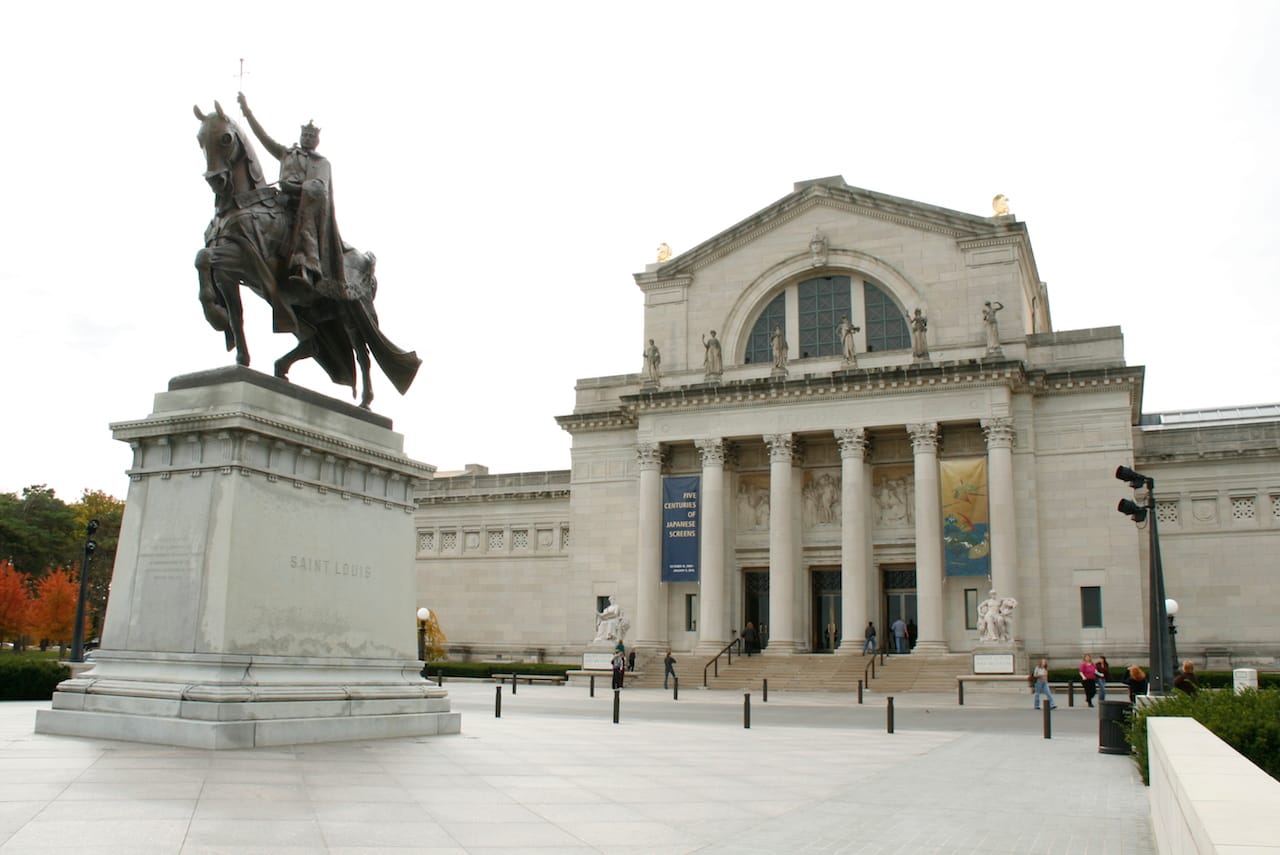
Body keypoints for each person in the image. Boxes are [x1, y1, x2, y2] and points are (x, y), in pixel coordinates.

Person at [236, 92, 344, 292]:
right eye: (305, 134)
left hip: (303, 205)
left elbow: (319, 188)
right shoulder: (286, 153)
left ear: (317, 141)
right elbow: (263, 137)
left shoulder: (321, 162)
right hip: (280, 201)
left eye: (312, 136)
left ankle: (305, 267)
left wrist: (295, 188)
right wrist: (247, 112)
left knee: (305, 226)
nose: (307, 138)